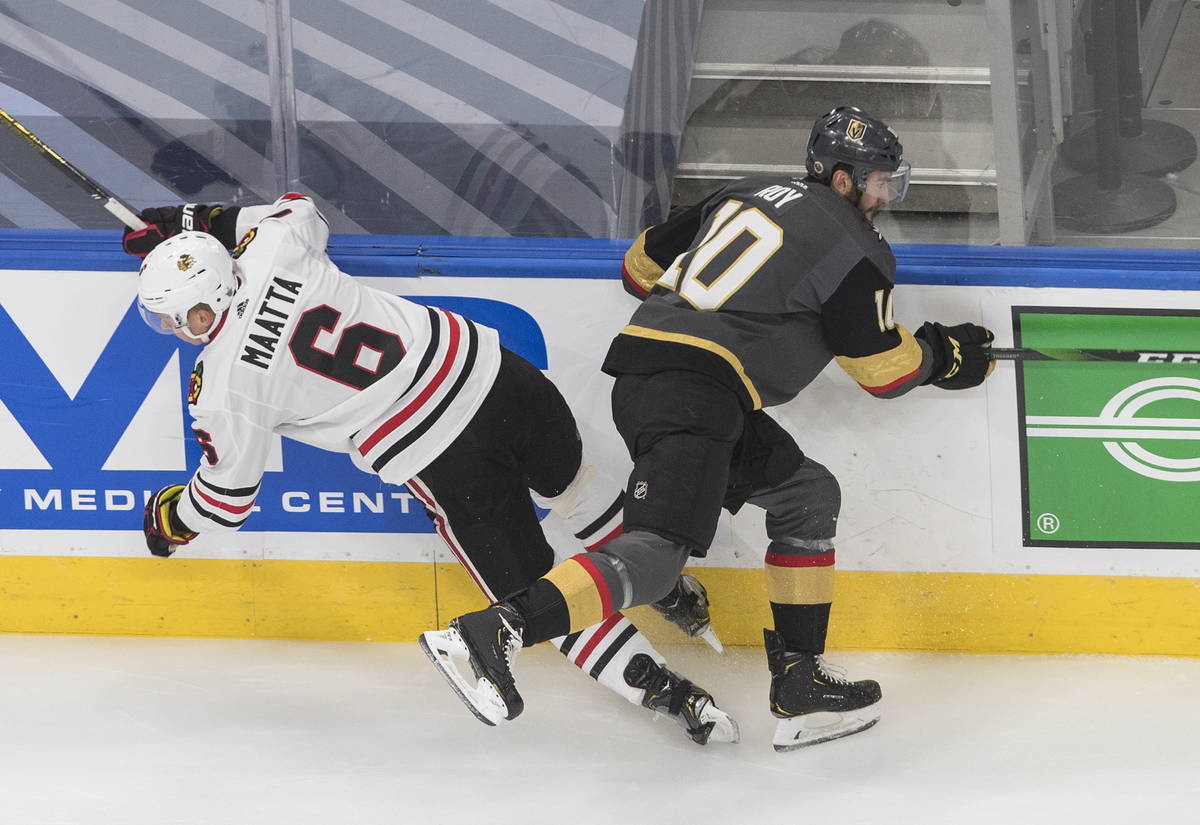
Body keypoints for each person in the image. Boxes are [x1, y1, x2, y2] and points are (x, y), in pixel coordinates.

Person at [421, 105, 997, 750]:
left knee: (805, 495)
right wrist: (946, 356)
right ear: (841, 178)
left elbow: (638, 268)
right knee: (654, 560)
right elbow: (882, 370)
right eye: (879, 180)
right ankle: (493, 632)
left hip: (660, 381)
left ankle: (800, 680)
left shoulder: (741, 192)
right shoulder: (858, 248)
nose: (886, 194)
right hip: (696, 395)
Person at [122, 195, 737, 746]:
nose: (173, 329)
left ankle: (670, 692)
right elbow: (299, 207)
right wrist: (193, 221)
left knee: (534, 595)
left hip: (443, 457)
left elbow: (227, 498)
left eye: (175, 316)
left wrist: (173, 517)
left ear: (201, 310)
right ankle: (670, 589)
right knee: (576, 488)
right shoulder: (269, 249)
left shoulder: (223, 386)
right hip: (501, 378)